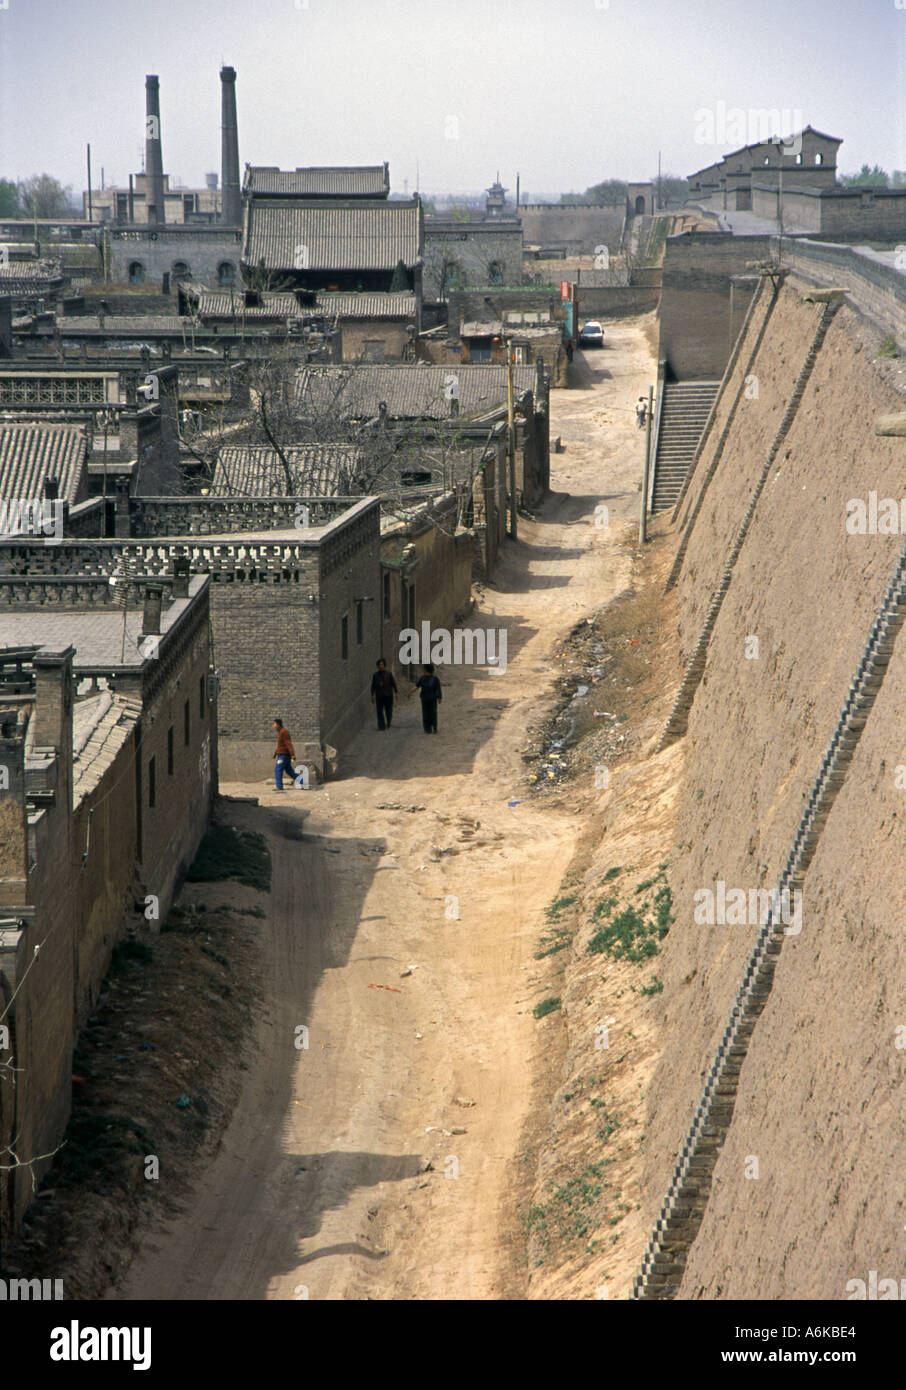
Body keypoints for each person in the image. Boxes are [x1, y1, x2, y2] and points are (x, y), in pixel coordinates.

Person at [370, 657, 398, 730]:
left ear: (384, 665)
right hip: (379, 696)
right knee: (379, 711)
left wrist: (396, 693)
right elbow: (373, 686)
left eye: (382, 664)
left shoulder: (389, 674)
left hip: (388, 695)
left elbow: (393, 684)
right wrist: (372, 695)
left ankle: (388, 722)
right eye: (379, 665)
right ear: (378, 666)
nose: (381, 666)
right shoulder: (375, 675)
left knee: (388, 710)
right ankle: (381, 726)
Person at [414, 662, 442, 734]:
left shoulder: (435, 679)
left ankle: (434, 727)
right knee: (425, 714)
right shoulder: (422, 678)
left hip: (432, 699)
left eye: (424, 669)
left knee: (433, 713)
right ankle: (427, 729)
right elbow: (417, 686)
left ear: (427, 670)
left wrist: (439, 698)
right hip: (424, 699)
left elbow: (438, 689)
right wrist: (410, 692)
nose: (423, 671)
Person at [272, 718, 296, 790]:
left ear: (278, 725)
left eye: (275, 724)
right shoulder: (280, 732)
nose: (274, 726)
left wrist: (292, 754)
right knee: (289, 771)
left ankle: (279, 786)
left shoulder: (284, 732)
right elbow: (281, 745)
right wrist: (275, 753)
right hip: (281, 754)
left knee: (278, 769)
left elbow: (288, 744)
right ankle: (302, 781)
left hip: (284, 755)